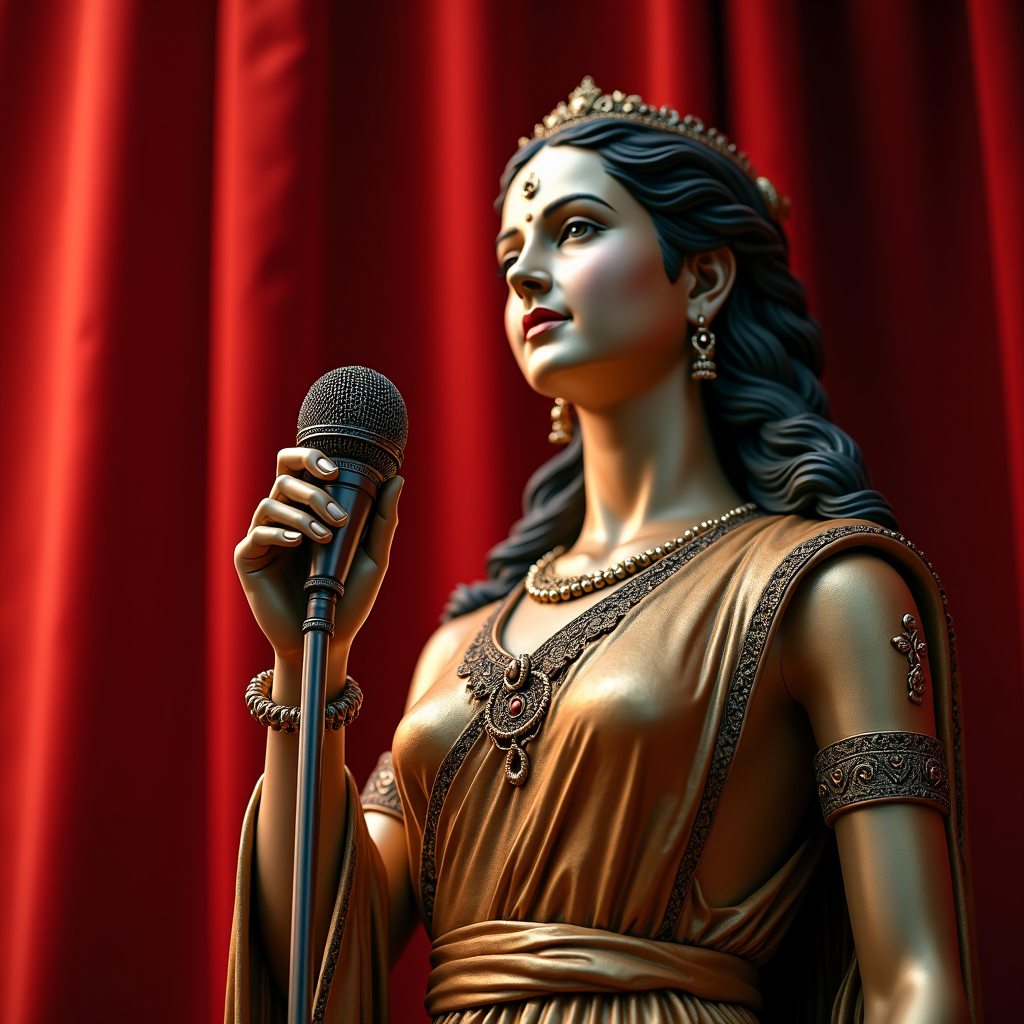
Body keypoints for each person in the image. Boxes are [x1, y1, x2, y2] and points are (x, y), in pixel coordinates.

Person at [226, 79, 979, 1023]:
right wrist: (306, 666)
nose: (526, 273)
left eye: (574, 229)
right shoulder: (456, 646)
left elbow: (916, 985)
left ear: (701, 277)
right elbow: (317, 962)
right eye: (510, 251)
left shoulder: (826, 589)